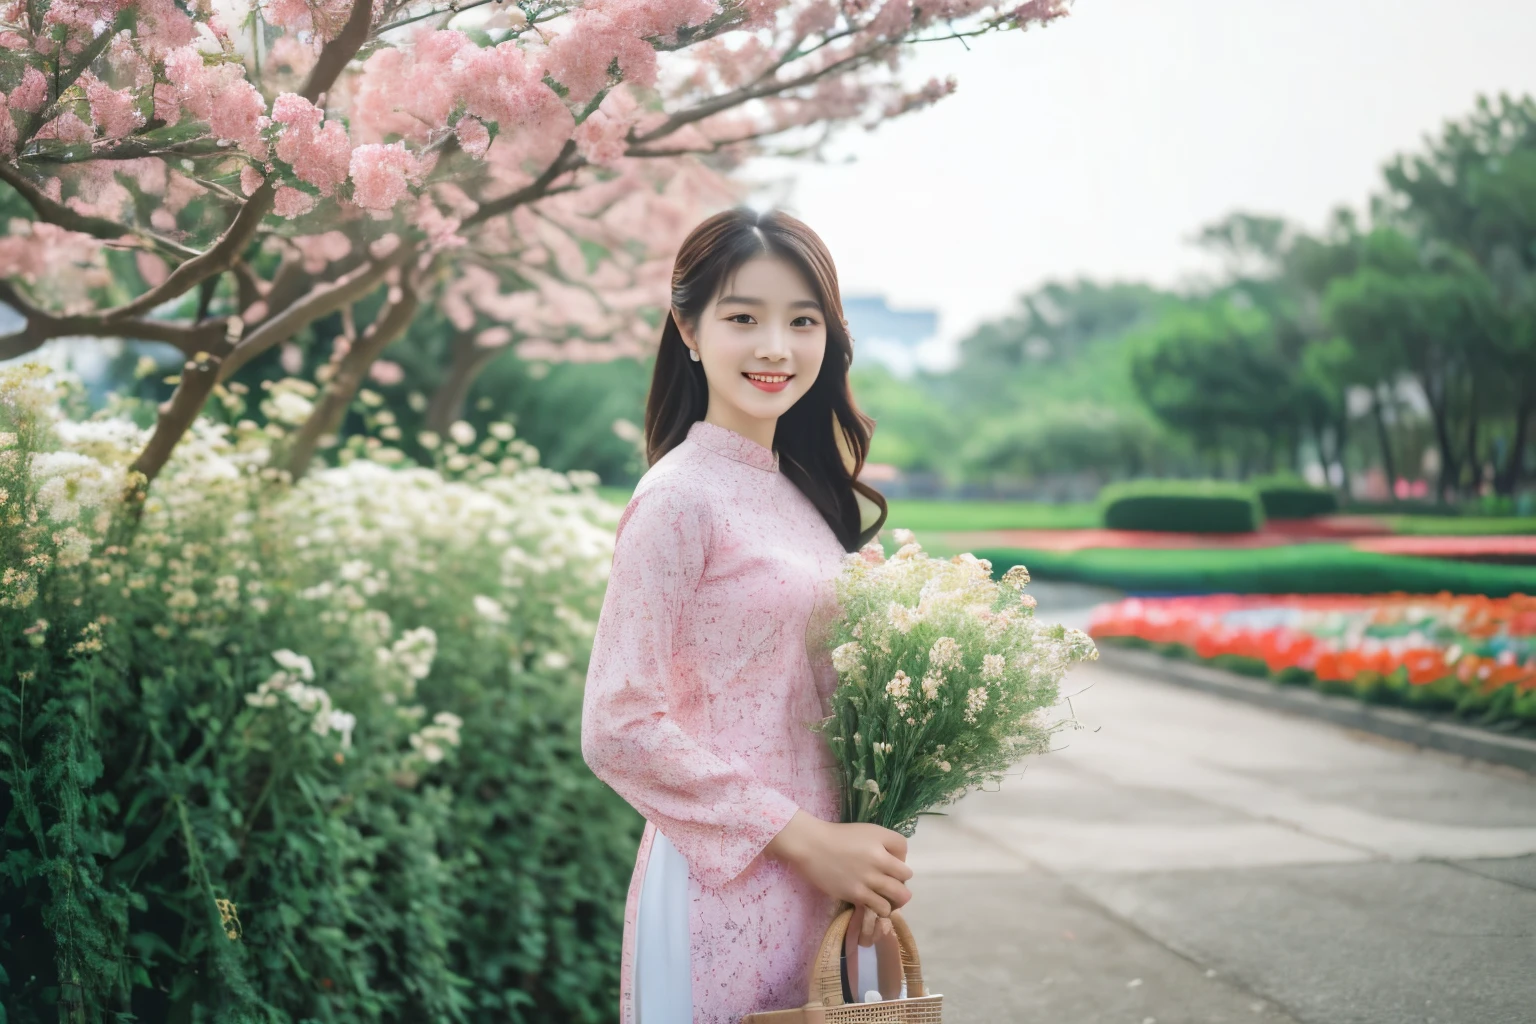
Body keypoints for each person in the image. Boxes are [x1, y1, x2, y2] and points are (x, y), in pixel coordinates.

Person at [580, 207, 916, 1024]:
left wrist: (864, 848)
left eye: (803, 321)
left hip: (826, 884)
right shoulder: (677, 499)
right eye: (743, 318)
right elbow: (617, 725)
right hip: (723, 883)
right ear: (688, 329)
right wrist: (808, 840)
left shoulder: (801, 498)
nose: (776, 346)